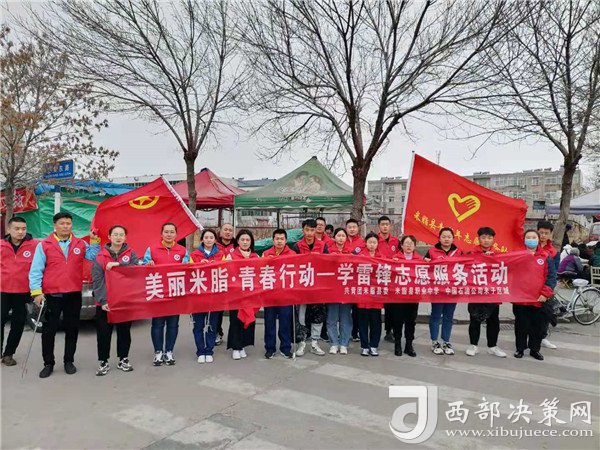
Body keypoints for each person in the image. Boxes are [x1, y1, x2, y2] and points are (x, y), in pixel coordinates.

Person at [29, 212, 101, 378]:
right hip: (52, 295)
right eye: (62, 223)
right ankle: (48, 363)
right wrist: (37, 292)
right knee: (49, 331)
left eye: (68, 223)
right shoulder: (44, 245)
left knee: (72, 329)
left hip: (73, 294)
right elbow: (36, 270)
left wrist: (94, 241)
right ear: (55, 225)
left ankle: (69, 361)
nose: (66, 226)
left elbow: (93, 256)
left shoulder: (80, 243)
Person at [92, 225, 139, 376]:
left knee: (124, 332)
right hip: (105, 302)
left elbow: (136, 269)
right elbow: (97, 281)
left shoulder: (131, 254)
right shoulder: (100, 256)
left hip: (125, 301)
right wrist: (103, 300)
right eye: (115, 234)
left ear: (125, 237)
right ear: (109, 237)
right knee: (104, 333)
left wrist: (119, 264)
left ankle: (123, 359)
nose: (118, 237)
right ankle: (103, 361)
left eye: (121, 235)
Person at [143, 222, 191, 367]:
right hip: (157, 292)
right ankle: (158, 352)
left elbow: (188, 268)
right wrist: (148, 264)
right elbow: (143, 267)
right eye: (166, 232)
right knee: (157, 323)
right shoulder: (151, 249)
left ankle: (169, 351)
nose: (169, 234)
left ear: (176, 234)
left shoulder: (182, 251)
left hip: (175, 292)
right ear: (161, 233)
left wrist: (186, 265)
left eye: (172, 232)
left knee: (173, 324)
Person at [513, 229, 557, 361]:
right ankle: (520, 349)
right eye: (528, 237)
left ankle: (535, 350)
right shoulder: (517, 255)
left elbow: (551, 277)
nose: (531, 240)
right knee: (521, 325)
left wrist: (545, 294)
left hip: (539, 299)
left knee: (537, 326)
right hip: (521, 299)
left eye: (534, 237)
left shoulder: (545, 256)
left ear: (538, 240)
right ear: (524, 240)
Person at [1, 217, 37, 366]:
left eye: (23, 228)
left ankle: (8, 354)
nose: (21, 232)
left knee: (18, 323)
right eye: (17, 229)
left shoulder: (34, 245)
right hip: (2, 291)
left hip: (23, 292)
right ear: (9, 229)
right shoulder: (1, 245)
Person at [465, 227, 507, 358]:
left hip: (493, 294)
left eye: (489, 238)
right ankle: (473, 345)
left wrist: (493, 259)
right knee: (474, 321)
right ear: (478, 239)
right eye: (483, 237)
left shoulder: (499, 255)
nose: (486, 240)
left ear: (493, 240)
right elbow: (464, 269)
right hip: (476, 293)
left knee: (493, 322)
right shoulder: (471, 254)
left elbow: (507, 269)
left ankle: (492, 347)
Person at [291, 218, 329, 356]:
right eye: (307, 230)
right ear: (303, 230)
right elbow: (293, 265)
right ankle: (301, 342)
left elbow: (328, 264)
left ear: (316, 231)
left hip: (317, 287)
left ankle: (314, 343)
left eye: (312, 230)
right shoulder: (297, 246)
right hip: (302, 286)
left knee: (318, 315)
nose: (309, 233)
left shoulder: (323, 246)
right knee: (301, 315)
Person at [425, 227, 462, 356]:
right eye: (444, 236)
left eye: (449, 237)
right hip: (437, 290)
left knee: (448, 317)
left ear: (453, 238)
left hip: (452, 291)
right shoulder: (431, 251)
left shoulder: (459, 252)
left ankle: (446, 341)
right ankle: (434, 341)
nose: (446, 239)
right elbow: (423, 268)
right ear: (439, 238)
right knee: (436, 316)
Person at [226, 229, 258, 360]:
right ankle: (235, 347)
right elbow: (227, 275)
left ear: (251, 242)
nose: (245, 242)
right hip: (236, 295)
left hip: (251, 295)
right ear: (238, 241)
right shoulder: (230, 256)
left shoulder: (256, 257)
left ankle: (243, 345)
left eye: (247, 240)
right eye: (242, 240)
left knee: (248, 319)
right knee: (236, 321)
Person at [190, 229, 221, 363]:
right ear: (202, 240)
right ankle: (200, 351)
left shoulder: (221, 255)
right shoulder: (194, 255)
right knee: (198, 325)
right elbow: (188, 272)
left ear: (215, 240)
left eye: (211, 237)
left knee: (212, 324)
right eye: (206, 237)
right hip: (198, 295)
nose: (209, 240)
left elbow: (226, 270)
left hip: (215, 295)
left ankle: (209, 350)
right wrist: (198, 265)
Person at [262, 229, 294, 359]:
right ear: (273, 240)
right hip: (270, 294)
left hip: (286, 295)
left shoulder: (292, 254)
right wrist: (266, 262)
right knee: (269, 322)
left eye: (282, 239)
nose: (279, 241)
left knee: (285, 323)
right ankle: (270, 348)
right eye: (277, 239)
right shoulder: (266, 253)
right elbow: (259, 271)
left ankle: (285, 348)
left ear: (286, 240)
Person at [390, 235, 420, 357]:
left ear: (415, 246)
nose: (408, 245)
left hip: (413, 296)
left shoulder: (419, 259)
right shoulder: (394, 258)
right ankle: (397, 344)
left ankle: (409, 345)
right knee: (397, 321)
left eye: (411, 243)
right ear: (401, 245)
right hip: (398, 296)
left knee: (411, 321)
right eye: (406, 243)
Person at [326, 228, 353, 355]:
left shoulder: (351, 253)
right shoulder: (328, 252)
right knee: (332, 318)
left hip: (346, 290)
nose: (341, 238)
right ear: (334, 237)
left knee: (345, 318)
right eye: (338, 235)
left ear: (346, 238)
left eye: (343, 236)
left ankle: (343, 344)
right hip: (332, 290)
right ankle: (333, 343)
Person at [357, 232, 383, 356]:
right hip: (363, 295)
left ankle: (373, 345)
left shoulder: (382, 257)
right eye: (370, 242)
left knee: (376, 322)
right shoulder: (360, 256)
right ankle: (364, 346)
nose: (372, 245)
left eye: (374, 242)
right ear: (366, 243)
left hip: (376, 296)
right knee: (363, 322)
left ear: (377, 244)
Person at [377, 215, 399, 344]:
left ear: (390, 226)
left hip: (392, 279)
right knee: (376, 306)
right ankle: (374, 331)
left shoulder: (396, 241)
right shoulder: (374, 240)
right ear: (379, 226)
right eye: (382, 224)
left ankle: (389, 331)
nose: (385, 226)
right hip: (377, 278)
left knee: (391, 307)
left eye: (387, 224)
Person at [537, 220, 559, 350]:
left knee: (545, 314)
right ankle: (528, 338)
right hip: (529, 287)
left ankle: (543, 337)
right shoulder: (529, 246)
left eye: (546, 233)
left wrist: (549, 289)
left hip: (545, 287)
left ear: (550, 234)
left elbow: (554, 272)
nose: (543, 235)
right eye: (541, 232)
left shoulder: (553, 252)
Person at [215, 223, 236, 345]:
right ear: (220, 231)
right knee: (218, 311)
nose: (228, 232)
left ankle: (235, 338)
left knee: (235, 312)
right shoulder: (214, 245)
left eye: (230, 230)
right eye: (225, 230)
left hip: (234, 283)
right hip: (219, 282)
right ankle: (217, 333)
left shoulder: (237, 245)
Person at [345, 218, 364, 341]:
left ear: (358, 228)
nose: (352, 229)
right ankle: (345, 332)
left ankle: (355, 332)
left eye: (354, 227)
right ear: (346, 229)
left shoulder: (362, 242)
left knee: (357, 309)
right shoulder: (341, 240)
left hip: (358, 279)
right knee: (346, 309)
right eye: (350, 227)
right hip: (345, 279)